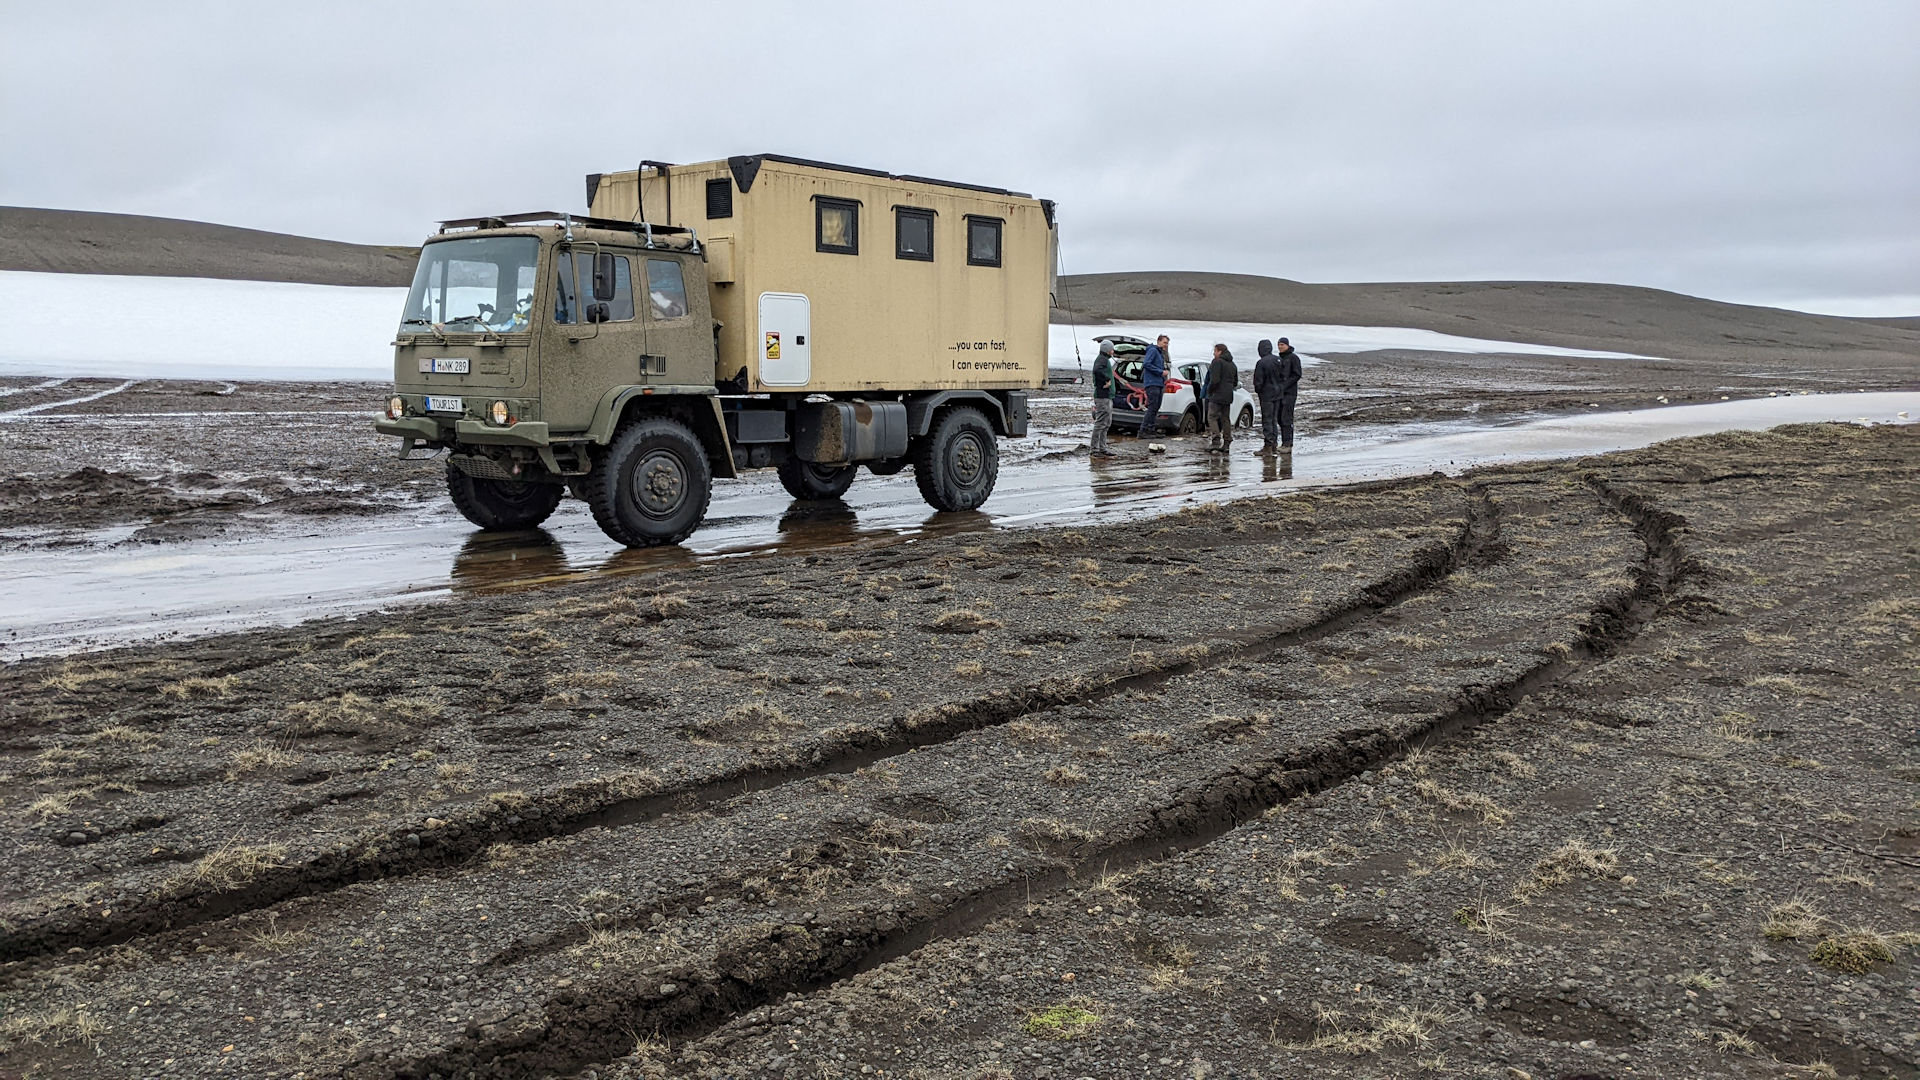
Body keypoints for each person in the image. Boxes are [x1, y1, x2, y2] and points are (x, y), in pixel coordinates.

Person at [1202, 343, 1238, 453]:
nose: (1213, 353)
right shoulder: (1232, 364)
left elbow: (1215, 380)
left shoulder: (1217, 362)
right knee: (1225, 418)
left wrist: (1210, 390)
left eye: (1215, 351)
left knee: (1212, 417)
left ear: (1219, 351)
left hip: (1217, 394)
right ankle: (1227, 442)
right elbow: (1235, 382)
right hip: (1228, 395)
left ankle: (1216, 440)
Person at [1252, 339, 1283, 452]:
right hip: (1278, 394)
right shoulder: (1278, 360)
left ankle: (1268, 444)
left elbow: (1258, 381)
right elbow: (1283, 377)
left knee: (1267, 419)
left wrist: (1258, 390)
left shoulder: (1261, 363)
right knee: (1273, 419)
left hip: (1266, 395)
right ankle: (1273, 442)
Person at [1273, 336, 1303, 449]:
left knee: (1286, 418)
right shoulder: (1279, 359)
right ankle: (1284, 442)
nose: (1280, 347)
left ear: (1287, 345)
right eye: (1279, 345)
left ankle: (1288, 443)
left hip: (1290, 393)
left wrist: (1285, 385)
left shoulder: (1293, 358)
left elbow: (1297, 374)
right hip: (1279, 393)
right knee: (1279, 417)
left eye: (1282, 345)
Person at [1139, 334, 1169, 438]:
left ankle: (1151, 429)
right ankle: (1143, 430)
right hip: (1152, 383)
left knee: (1156, 407)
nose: (1166, 345)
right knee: (1152, 407)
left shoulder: (1161, 353)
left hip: (1159, 383)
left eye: (1167, 343)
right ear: (1159, 341)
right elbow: (1146, 364)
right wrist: (1160, 372)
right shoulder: (1153, 351)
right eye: (1165, 342)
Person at [1089, 340, 1116, 458]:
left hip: (1107, 396)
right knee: (1100, 423)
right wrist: (1106, 380)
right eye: (1112, 349)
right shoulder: (1102, 360)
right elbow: (1097, 371)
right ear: (1107, 350)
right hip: (1102, 396)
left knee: (1107, 423)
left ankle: (1102, 447)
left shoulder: (1105, 360)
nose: (1113, 351)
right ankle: (1094, 449)